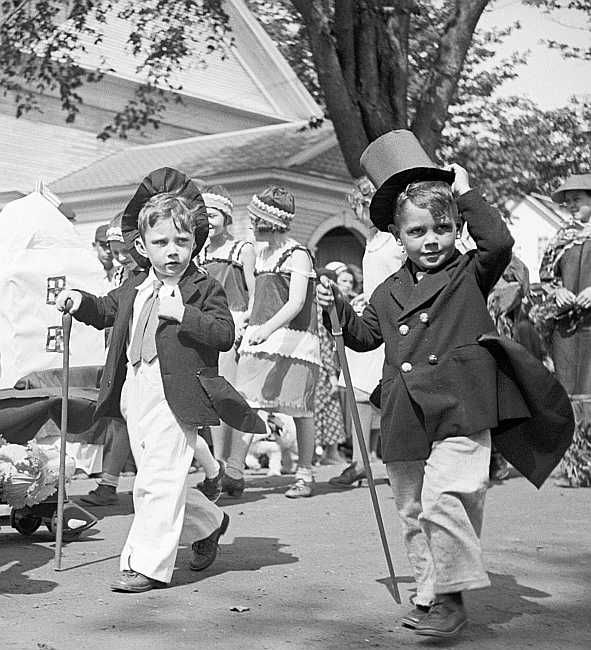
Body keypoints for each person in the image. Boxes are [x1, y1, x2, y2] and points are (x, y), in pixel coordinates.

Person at [317, 130, 515, 637]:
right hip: (404, 410)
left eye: (443, 228)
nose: (432, 241)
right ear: (398, 237)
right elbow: (363, 338)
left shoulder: (470, 271)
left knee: (447, 497)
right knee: (411, 508)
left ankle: (451, 597)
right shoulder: (388, 290)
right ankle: (429, 592)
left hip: (460, 406)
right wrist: (336, 307)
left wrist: (464, 190)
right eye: (418, 232)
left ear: (456, 230)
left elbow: (499, 241)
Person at [56, 168, 234, 592]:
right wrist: (79, 301)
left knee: (156, 480)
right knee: (160, 475)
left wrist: (185, 314)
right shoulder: (135, 287)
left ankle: (147, 566)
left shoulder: (203, 288)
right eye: (161, 243)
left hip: (179, 394)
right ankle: (209, 522)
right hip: (137, 391)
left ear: (195, 242)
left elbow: (224, 334)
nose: (172, 251)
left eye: (182, 242)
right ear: (141, 245)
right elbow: (103, 309)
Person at [235, 185, 321, 498]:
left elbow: (296, 302)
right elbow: (259, 295)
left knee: (299, 410)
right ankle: (233, 469)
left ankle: (305, 473)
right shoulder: (260, 254)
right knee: (247, 402)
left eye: (255, 220)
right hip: (260, 338)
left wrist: (266, 328)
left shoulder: (297, 255)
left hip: (293, 343)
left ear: (270, 224)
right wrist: (248, 319)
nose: (251, 226)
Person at [197, 185, 256, 498]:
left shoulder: (240, 249)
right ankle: (218, 465)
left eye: (214, 214)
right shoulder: (198, 252)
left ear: (227, 217)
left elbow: (253, 289)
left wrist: (248, 323)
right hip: (202, 325)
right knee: (209, 398)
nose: (208, 220)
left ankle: (231, 465)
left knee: (228, 396)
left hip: (232, 323)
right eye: (204, 213)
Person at [534, 173, 591, 487]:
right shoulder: (560, 237)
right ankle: (577, 466)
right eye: (568, 202)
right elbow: (546, 277)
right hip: (567, 327)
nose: (571, 206)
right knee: (569, 394)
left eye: (577, 201)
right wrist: (557, 292)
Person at [80, 213, 137, 506]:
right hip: (120, 355)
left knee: (152, 424)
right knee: (118, 419)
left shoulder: (145, 277)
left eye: (125, 251)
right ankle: (109, 483)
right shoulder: (120, 275)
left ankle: (212, 467)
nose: (121, 258)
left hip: (141, 359)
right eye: (116, 253)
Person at [314, 267, 346, 465]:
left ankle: (325, 453)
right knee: (329, 407)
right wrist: (332, 373)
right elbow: (324, 342)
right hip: (322, 367)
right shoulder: (321, 308)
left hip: (320, 363)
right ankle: (328, 453)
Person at [92, 223, 115, 287]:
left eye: (111, 246)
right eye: (103, 245)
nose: (108, 251)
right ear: (94, 246)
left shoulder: (122, 272)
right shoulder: (89, 274)